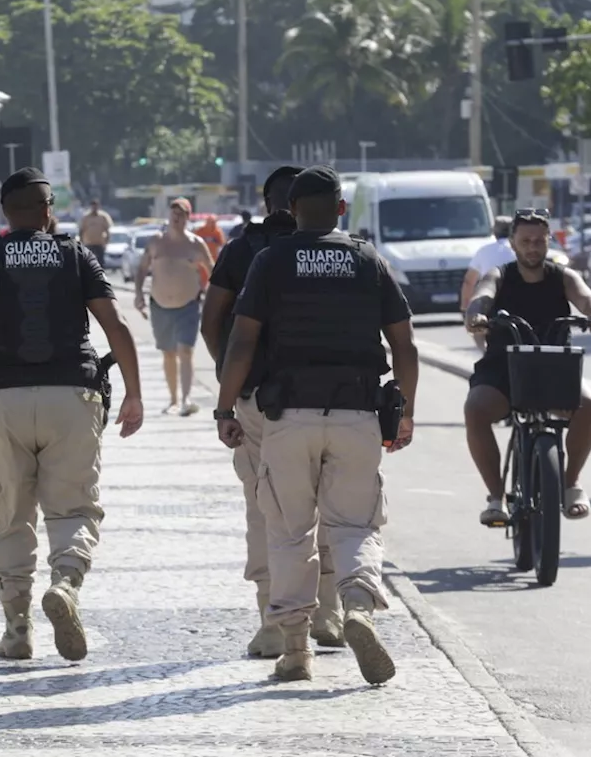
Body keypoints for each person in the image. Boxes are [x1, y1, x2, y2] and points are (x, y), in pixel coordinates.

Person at [214, 164, 419, 685]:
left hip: (289, 417)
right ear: (341, 209)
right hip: (356, 413)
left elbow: (239, 341)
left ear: (291, 211)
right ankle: (356, 607)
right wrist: (406, 410)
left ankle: (295, 651)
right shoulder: (366, 259)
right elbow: (404, 343)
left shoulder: (270, 259)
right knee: (354, 525)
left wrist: (224, 407)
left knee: (288, 531)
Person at [0, 167, 145, 662]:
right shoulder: (75, 255)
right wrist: (133, 392)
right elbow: (116, 325)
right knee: (73, 508)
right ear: (49, 211)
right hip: (71, 395)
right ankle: (66, 584)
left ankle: (17, 629)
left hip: (1, 398)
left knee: (10, 515)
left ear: (4, 212)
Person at [201, 165, 343, 657]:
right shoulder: (341, 251)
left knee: (268, 509)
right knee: (326, 502)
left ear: (267, 204)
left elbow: (212, 321)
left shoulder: (243, 250)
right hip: (331, 398)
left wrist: (231, 386)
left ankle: (272, 621)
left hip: (259, 399)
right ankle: (327, 611)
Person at [465, 209, 591, 525]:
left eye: (539, 241)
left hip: (556, 367)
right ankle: (495, 496)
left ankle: (571, 484)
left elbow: (586, 297)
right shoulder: (499, 274)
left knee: (590, 405)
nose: (533, 248)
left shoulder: (563, 276)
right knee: (475, 409)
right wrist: (476, 316)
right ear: (513, 244)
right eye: (525, 241)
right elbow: (482, 295)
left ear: (549, 243)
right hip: (504, 368)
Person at [134, 197, 214, 415]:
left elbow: (212, 270)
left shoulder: (195, 244)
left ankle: (187, 398)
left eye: (182, 214)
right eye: (174, 214)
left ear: (188, 218)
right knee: (169, 353)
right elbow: (142, 269)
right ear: (169, 216)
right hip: (159, 305)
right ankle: (173, 400)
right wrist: (138, 293)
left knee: (185, 350)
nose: (177, 218)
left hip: (188, 304)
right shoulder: (156, 241)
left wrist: (211, 297)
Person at [461, 216, 515, 352]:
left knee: (477, 325)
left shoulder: (484, 251)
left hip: (490, 298)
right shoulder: (518, 249)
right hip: (516, 295)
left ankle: (484, 352)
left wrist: (465, 306)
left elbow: (469, 281)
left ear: (494, 231)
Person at [78, 198, 112, 267]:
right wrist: (81, 243)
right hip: (89, 244)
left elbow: (107, 230)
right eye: (93, 206)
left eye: (96, 206)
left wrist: (106, 242)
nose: (94, 208)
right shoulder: (86, 217)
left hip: (100, 244)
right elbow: (81, 231)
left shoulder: (103, 217)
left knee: (100, 262)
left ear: (98, 206)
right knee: (89, 262)